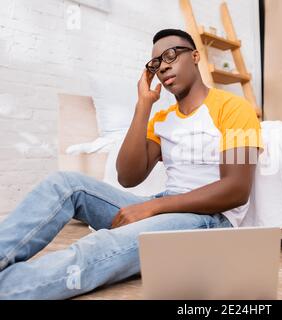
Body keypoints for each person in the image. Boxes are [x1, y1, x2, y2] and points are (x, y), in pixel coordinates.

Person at [0, 29, 263, 299]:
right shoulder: (163, 118)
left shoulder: (235, 108)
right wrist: (143, 105)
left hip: (210, 221)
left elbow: (236, 189)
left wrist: (152, 207)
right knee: (65, 184)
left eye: (171, 55)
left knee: (100, 244)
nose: (164, 66)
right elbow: (128, 176)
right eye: (156, 63)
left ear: (195, 56)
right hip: (166, 206)